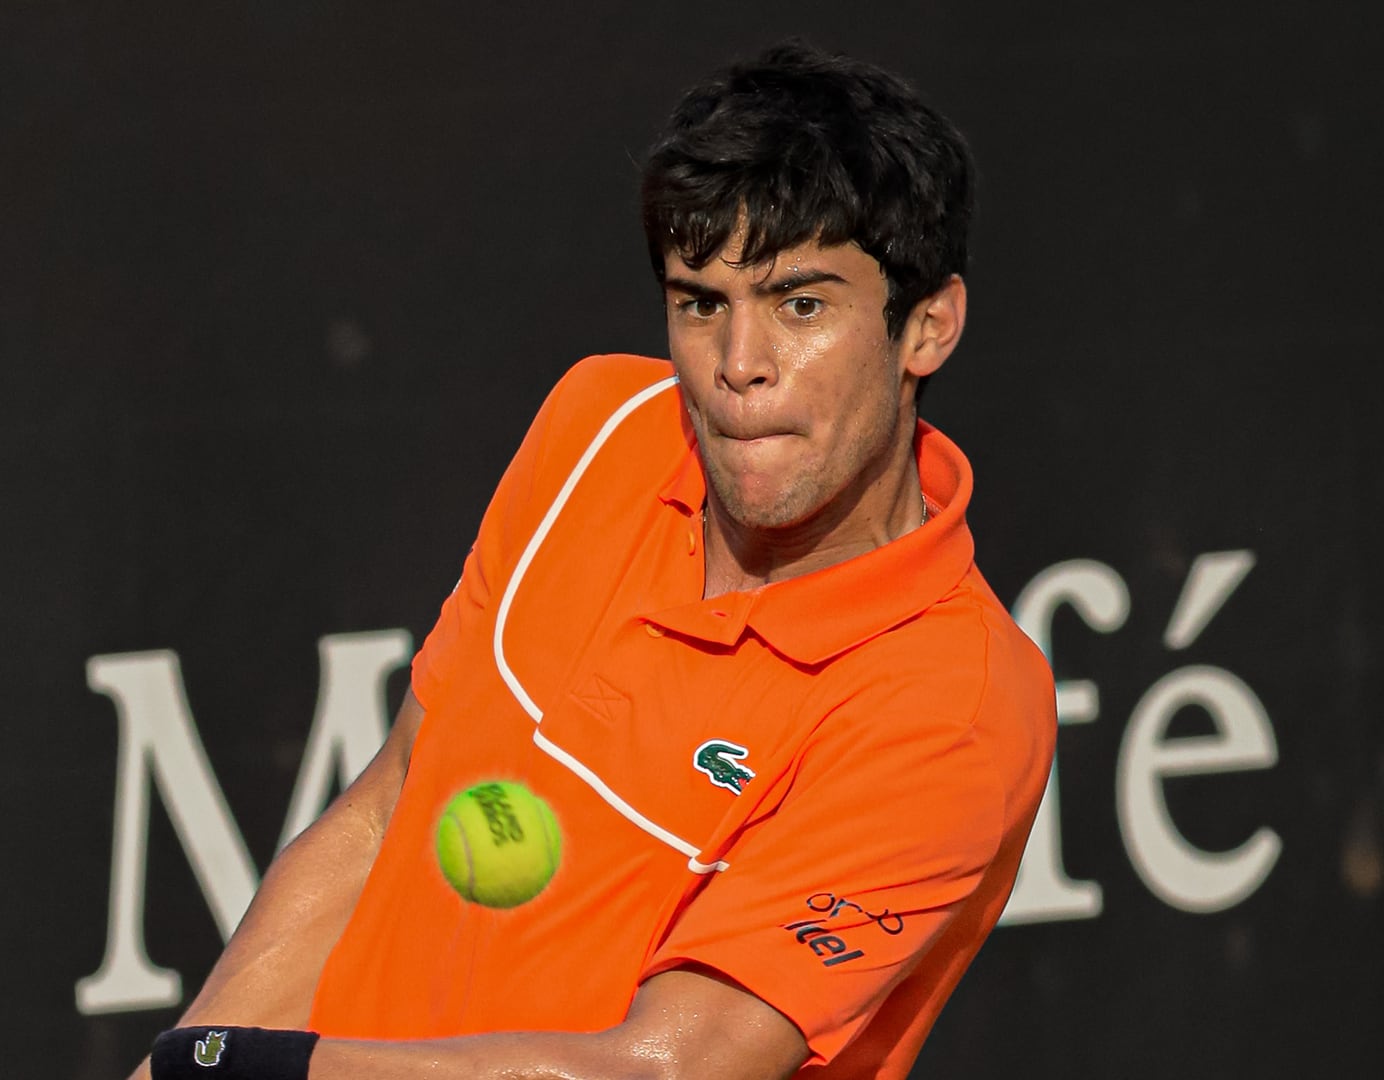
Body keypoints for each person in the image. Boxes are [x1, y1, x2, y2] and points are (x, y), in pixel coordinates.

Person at [135, 39, 1056, 1080]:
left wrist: (251, 1071)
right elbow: (395, 804)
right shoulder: (601, 424)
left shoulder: (957, 704)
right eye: (700, 302)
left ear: (927, 327)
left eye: (801, 304)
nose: (738, 368)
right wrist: (178, 1064)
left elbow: (661, 1071)